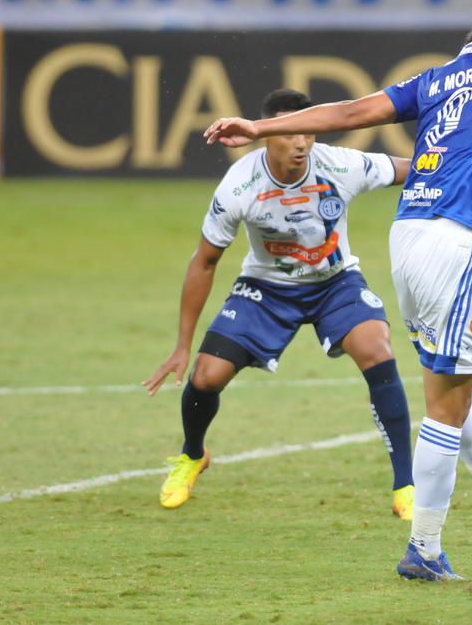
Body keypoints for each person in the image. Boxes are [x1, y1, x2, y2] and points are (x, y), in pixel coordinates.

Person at [203, 0, 472, 582]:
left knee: (448, 376)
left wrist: (259, 126)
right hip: (463, 240)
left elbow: (352, 111)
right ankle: (424, 549)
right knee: (447, 402)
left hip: (408, 236)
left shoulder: (440, 75)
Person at [143, 89, 422, 518]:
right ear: (268, 135)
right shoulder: (240, 185)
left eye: (308, 132)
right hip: (266, 287)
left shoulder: (339, 164)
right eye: (290, 133)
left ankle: (405, 485)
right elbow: (205, 262)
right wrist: (182, 345)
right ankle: (192, 454)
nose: (300, 143)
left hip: (335, 282)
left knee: (377, 351)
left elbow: (418, 170)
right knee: (205, 377)